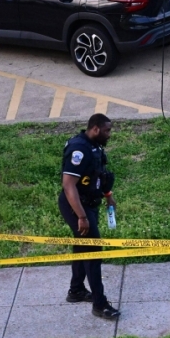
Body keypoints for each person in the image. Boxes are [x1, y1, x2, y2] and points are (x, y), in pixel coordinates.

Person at [58, 113, 120, 320]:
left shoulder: (94, 146)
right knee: (93, 252)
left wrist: (108, 196)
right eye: (107, 130)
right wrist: (82, 217)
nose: (109, 134)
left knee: (82, 246)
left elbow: (98, 175)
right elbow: (69, 185)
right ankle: (100, 305)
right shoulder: (79, 149)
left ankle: (76, 290)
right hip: (76, 207)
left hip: (89, 204)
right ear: (95, 129)